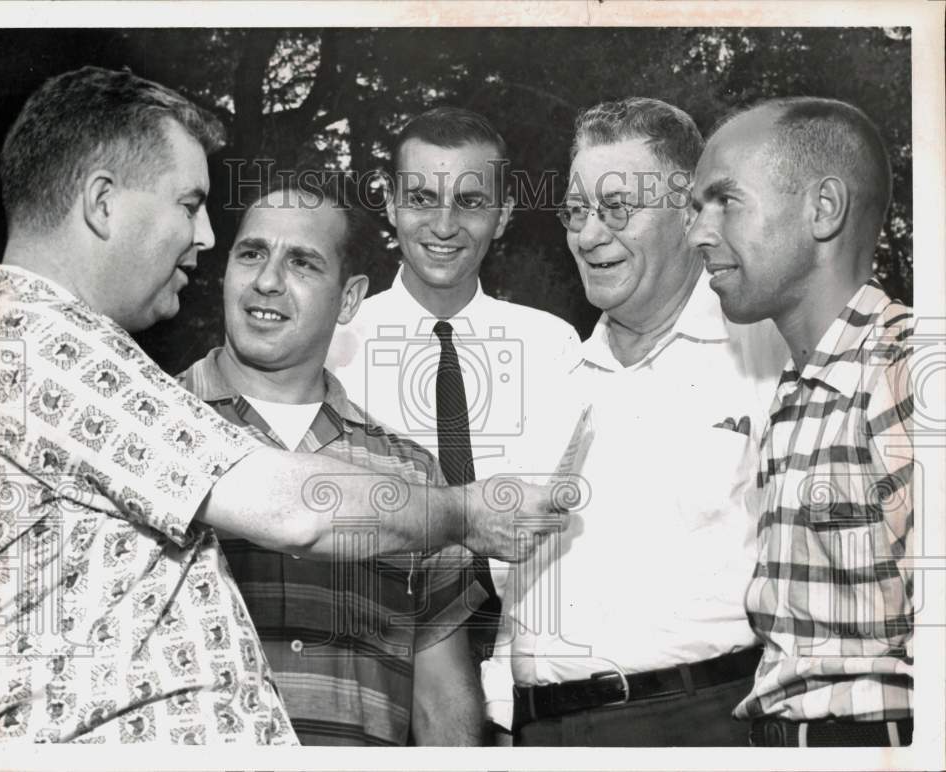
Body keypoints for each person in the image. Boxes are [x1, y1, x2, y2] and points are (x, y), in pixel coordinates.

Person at [0, 66, 567, 746]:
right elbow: (296, 508)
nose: (204, 239)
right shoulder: (30, 338)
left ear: (347, 295)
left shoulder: (21, 340)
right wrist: (464, 511)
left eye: (304, 263)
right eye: (189, 205)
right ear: (102, 203)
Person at [496, 97, 789, 746]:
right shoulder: (550, 384)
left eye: (617, 209)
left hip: (703, 723)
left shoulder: (771, 363)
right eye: (576, 212)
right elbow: (509, 602)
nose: (590, 235)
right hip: (539, 733)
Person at [176, 176, 488, 745]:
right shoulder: (153, 426)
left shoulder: (413, 475)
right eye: (251, 254)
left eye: (302, 263)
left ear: (349, 299)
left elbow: (442, 697)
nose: (266, 282)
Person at [689, 97, 914, 747]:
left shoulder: (906, 369)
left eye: (725, 200)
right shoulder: (798, 390)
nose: (699, 233)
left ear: (823, 210)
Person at [327, 107, 581, 679]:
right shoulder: (334, 347)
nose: (444, 225)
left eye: (469, 202)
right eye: (420, 198)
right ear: (390, 204)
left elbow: (556, 524)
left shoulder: (551, 345)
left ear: (503, 213)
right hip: (376, 664)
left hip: (522, 665)